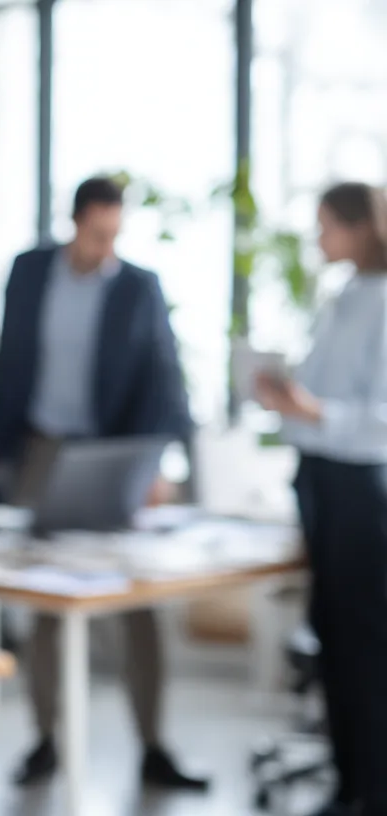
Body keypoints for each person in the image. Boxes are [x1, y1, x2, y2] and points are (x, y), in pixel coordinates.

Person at [0, 176, 205, 789]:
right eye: (98, 232)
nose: (107, 245)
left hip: (114, 454)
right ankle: (46, 739)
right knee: (46, 604)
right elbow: (10, 366)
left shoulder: (138, 286)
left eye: (115, 233)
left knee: (138, 600)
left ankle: (154, 744)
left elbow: (165, 373)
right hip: (43, 450)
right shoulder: (29, 272)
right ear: (76, 222)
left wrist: (158, 466)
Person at [256, 181, 387, 816]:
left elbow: (380, 416)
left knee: (365, 641)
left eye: (326, 226)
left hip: (364, 485)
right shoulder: (342, 297)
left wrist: (315, 410)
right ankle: (349, 781)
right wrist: (287, 400)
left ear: (362, 227)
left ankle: (372, 787)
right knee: (332, 632)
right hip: (320, 477)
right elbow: (316, 391)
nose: (318, 239)